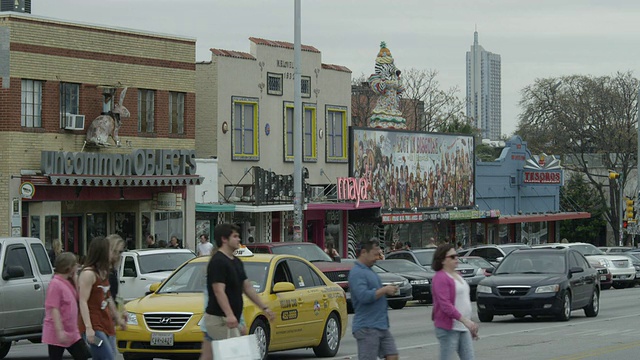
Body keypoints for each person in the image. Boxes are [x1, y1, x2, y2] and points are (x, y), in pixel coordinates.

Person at [203, 224, 275, 343]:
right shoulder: (218, 262)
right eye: (235, 236)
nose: (239, 239)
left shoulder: (236, 261)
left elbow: (247, 288)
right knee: (234, 352)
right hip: (219, 319)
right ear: (224, 239)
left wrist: (264, 307)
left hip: (231, 319)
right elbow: (218, 291)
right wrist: (229, 315)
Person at [349, 238, 400, 360]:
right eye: (374, 254)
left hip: (380, 325)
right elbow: (363, 296)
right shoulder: (357, 273)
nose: (377, 258)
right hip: (367, 326)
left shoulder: (370, 271)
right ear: (363, 252)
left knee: (392, 355)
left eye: (378, 254)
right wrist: (384, 290)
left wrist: (388, 290)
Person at [78, 236, 126, 360]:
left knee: (108, 356)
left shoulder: (104, 273)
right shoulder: (88, 274)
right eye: (110, 251)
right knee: (106, 357)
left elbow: (108, 297)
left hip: (106, 323)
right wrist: (88, 328)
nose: (113, 254)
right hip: (94, 326)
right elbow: (82, 301)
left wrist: (118, 318)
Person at [431, 244, 478, 360]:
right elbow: (445, 304)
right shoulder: (440, 277)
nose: (456, 258)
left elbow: (462, 301)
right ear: (442, 260)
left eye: (456, 256)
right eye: (452, 257)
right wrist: (465, 321)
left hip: (463, 327)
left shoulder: (458, 275)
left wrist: (469, 323)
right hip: (449, 328)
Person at [42, 253, 90, 360]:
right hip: (58, 332)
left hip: (71, 330)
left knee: (84, 355)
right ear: (68, 268)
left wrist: (75, 278)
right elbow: (54, 309)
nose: (77, 266)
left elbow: (79, 296)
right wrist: (59, 331)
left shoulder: (68, 282)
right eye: (75, 265)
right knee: (56, 357)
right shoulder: (55, 284)